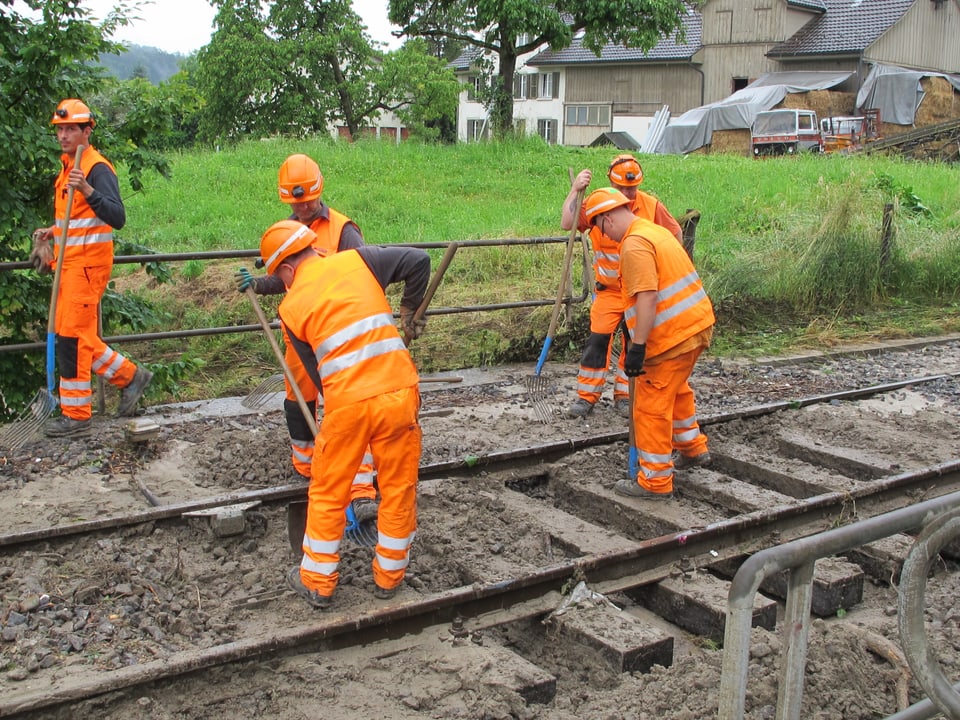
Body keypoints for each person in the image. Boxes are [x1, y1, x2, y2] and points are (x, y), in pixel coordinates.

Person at [256, 220, 429, 608]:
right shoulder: (359, 261)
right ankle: (389, 578)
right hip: (400, 392)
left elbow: (315, 377)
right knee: (399, 488)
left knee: (329, 491)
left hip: (348, 404)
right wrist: (407, 308)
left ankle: (317, 582)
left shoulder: (290, 307)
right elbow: (419, 260)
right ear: (311, 248)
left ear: (286, 270)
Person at [235, 154, 380, 524]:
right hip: (299, 334)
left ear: (320, 191)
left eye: (306, 201)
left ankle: (359, 486)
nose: (301, 207)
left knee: (345, 406)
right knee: (298, 401)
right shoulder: (285, 229)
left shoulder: (345, 231)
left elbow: (361, 278)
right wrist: (257, 283)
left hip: (336, 337)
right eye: (294, 202)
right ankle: (308, 467)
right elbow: (283, 277)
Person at [29, 99, 152, 437]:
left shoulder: (96, 168)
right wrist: (52, 232)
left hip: (86, 270)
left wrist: (86, 188)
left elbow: (116, 216)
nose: (63, 135)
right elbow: (78, 219)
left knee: (71, 339)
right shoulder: (68, 166)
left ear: (87, 131)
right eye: (60, 129)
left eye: (71, 129)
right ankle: (130, 377)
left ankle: (77, 415)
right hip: (69, 268)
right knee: (77, 337)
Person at [581, 187, 714, 500]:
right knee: (676, 389)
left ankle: (654, 482)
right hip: (694, 327)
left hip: (670, 337)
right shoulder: (654, 231)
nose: (605, 238)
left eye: (600, 229)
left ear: (608, 218)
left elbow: (647, 296)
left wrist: (637, 347)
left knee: (650, 405)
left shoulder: (634, 244)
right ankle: (693, 448)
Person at [561, 154, 682, 420]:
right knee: (598, 341)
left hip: (638, 291)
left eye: (633, 188)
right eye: (623, 188)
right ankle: (586, 397)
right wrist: (574, 190)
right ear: (611, 183)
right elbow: (568, 224)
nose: (628, 193)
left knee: (634, 342)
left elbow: (674, 234)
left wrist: (666, 267)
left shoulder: (651, 206)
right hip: (608, 291)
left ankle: (626, 395)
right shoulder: (597, 204)